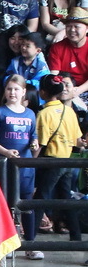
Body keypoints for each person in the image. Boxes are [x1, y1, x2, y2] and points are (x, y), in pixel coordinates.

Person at [32, 71, 85, 256]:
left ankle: (30, 241)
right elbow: (78, 140)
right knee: (66, 199)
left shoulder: (44, 113)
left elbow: (41, 143)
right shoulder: (69, 111)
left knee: (40, 199)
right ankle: (76, 238)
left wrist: (30, 161)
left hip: (52, 162)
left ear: (43, 93)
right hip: (68, 161)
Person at [0, 74, 39, 254]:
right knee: (5, 204)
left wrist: (34, 143)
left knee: (27, 205)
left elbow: (33, 134)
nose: (12, 92)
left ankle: (30, 245)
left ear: (24, 92)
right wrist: (6, 152)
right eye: (9, 89)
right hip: (5, 166)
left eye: (16, 89)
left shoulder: (30, 114)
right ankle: (6, 246)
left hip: (26, 167)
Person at [48, 6, 88, 101]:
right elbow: (54, 74)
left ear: (87, 29)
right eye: (69, 26)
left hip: (84, 89)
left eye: (76, 26)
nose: (72, 30)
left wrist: (78, 90)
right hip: (64, 89)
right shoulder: (57, 47)